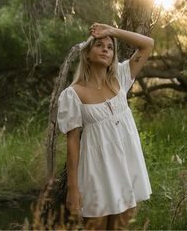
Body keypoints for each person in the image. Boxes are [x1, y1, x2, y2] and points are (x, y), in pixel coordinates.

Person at [57, 23, 154, 230]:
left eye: (110, 47)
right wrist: (73, 189)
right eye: (99, 45)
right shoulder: (73, 94)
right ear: (88, 54)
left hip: (126, 167)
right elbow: (72, 143)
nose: (105, 50)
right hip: (96, 170)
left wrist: (112, 31)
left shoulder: (121, 77)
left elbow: (148, 44)